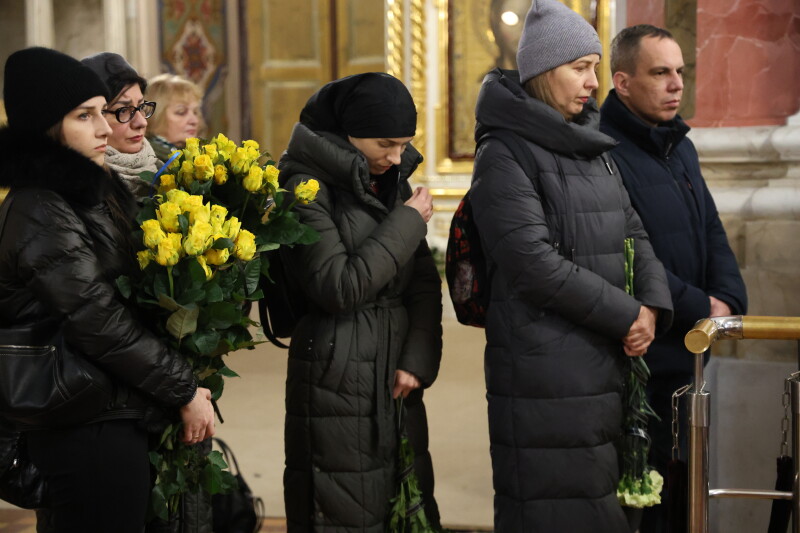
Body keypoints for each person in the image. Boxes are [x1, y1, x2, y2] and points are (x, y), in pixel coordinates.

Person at [469, 0, 675, 530]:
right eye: (579, 68)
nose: (592, 82)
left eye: (594, 67)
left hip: (601, 360)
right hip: (544, 367)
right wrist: (625, 314)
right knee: (554, 507)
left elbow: (634, 230)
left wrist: (650, 306)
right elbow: (532, 263)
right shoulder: (504, 153)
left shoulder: (590, 142)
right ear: (542, 71)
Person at [0, 47, 215, 533]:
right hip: (81, 422)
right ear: (46, 127)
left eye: (103, 112)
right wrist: (182, 388)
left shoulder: (81, 194)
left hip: (107, 409)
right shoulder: (41, 207)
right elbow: (98, 319)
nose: (104, 128)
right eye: (85, 115)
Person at [277, 72, 443, 531]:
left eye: (405, 144)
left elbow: (425, 285)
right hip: (336, 371)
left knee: (405, 506)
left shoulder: (390, 179)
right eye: (384, 144)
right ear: (347, 134)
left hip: (396, 373)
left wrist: (417, 359)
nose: (396, 158)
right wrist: (408, 223)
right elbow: (338, 286)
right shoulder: (304, 186)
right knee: (345, 512)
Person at [599, 25, 748, 533]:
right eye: (660, 72)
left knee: (686, 502)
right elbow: (629, 255)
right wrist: (700, 307)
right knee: (645, 505)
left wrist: (727, 296)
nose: (676, 84)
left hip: (692, 360)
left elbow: (710, 225)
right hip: (645, 360)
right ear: (622, 81)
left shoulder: (680, 145)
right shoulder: (602, 152)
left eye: (680, 72)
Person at [81, 52, 160, 198]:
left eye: (141, 107)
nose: (141, 122)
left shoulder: (166, 172)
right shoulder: (81, 191)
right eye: (123, 110)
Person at [145, 74, 204, 162]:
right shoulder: (148, 163)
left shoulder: (196, 156)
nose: (194, 121)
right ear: (156, 116)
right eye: (181, 112)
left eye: (195, 112)